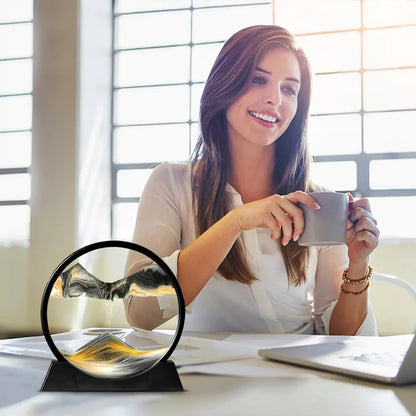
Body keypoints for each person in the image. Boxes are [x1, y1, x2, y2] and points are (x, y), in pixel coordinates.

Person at [124, 25, 379, 335]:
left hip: (300, 376)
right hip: (214, 377)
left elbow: (340, 337)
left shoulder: (319, 202)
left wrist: (358, 262)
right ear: (225, 84)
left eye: (289, 89)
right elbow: (140, 312)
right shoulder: (172, 184)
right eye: (259, 80)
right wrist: (236, 222)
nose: (274, 99)